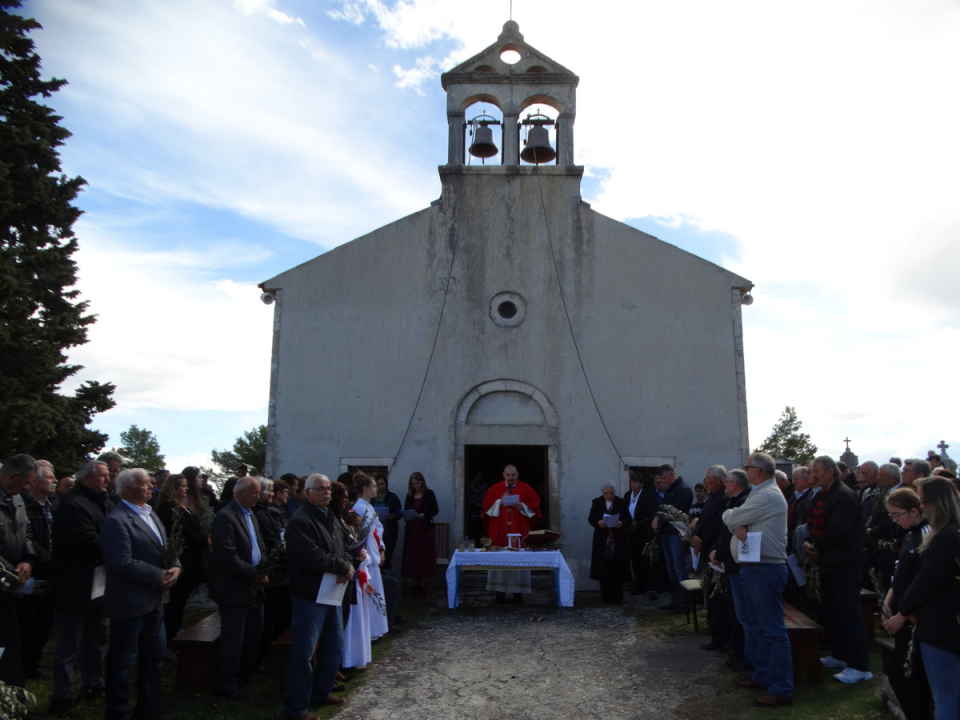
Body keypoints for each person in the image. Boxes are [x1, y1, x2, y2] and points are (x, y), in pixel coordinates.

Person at [100, 468, 181, 720]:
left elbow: (168, 547)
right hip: (130, 602)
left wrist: (176, 567)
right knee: (123, 661)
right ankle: (117, 712)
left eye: (151, 483)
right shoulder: (117, 520)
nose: (151, 486)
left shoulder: (151, 514)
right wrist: (159, 575)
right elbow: (120, 562)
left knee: (153, 657)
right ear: (127, 489)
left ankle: (147, 709)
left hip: (155, 601)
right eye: (145, 484)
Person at [722, 452, 793, 707]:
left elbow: (731, 515)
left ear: (758, 471)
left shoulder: (768, 495)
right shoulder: (759, 492)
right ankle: (763, 675)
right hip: (754, 568)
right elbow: (735, 516)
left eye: (748, 466)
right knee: (759, 627)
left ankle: (781, 688)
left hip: (765, 569)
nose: (745, 469)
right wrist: (737, 522)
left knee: (773, 630)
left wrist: (736, 521)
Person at [283, 474, 355, 719]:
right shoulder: (300, 520)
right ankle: (296, 708)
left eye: (328, 489)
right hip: (310, 594)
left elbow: (344, 545)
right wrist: (342, 567)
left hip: (332, 591)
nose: (326, 493)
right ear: (306, 492)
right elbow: (309, 555)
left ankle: (321, 693)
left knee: (333, 645)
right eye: (320, 489)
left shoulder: (330, 516)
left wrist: (347, 563)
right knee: (303, 652)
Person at [48, 459, 113, 718]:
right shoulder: (73, 505)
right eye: (103, 476)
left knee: (97, 638)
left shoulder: (104, 502)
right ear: (86, 479)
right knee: (68, 645)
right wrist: (119, 545)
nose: (108, 480)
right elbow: (86, 542)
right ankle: (60, 698)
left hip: (99, 584)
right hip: (74, 585)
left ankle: (92, 684)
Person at [803, 455, 871, 684]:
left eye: (816, 472)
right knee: (832, 612)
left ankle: (860, 665)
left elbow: (840, 530)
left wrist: (816, 545)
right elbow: (812, 522)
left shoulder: (844, 496)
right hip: (828, 561)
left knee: (848, 613)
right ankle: (841, 655)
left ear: (830, 472)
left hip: (845, 563)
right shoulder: (822, 494)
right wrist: (810, 540)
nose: (812, 475)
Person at [898, 477, 960, 720]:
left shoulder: (946, 537)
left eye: (923, 501)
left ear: (937, 503)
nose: (921, 506)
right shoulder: (950, 534)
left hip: (941, 624)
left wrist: (904, 608)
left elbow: (926, 580)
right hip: (944, 618)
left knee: (945, 698)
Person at [209, 476, 269, 700]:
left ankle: (245, 672)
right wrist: (252, 574)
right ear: (239, 493)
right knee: (233, 637)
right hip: (234, 587)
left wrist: (264, 569)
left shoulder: (251, 516)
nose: (258, 496)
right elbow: (227, 555)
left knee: (254, 632)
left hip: (254, 583)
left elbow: (259, 545)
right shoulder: (226, 517)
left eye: (259, 492)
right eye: (254, 492)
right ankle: (225, 682)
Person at [880, 488, 931, 720]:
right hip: (901, 610)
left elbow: (924, 578)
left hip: (914, 617)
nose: (894, 520)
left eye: (897, 514)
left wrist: (903, 612)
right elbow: (900, 571)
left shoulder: (926, 535)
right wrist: (889, 599)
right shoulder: (909, 534)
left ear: (914, 510)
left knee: (905, 675)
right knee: (901, 675)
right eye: (890, 516)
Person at [155, 473, 208, 650]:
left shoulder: (181, 507)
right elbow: (182, 532)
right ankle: (167, 645)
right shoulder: (167, 508)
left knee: (179, 606)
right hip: (180, 561)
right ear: (174, 488)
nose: (186, 489)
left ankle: (174, 635)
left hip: (190, 562)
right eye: (183, 486)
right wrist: (205, 540)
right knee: (173, 607)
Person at [0, 454, 36, 689]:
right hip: (4, 580)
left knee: (10, 643)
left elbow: (27, 531)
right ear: (13, 476)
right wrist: (7, 571)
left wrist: (27, 560)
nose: (28, 487)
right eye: (26, 482)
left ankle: (13, 702)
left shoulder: (18, 499)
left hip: (7, 588)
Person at [482, 465, 541, 604]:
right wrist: (500, 501)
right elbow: (485, 506)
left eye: (513, 475)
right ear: (503, 475)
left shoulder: (526, 488)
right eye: (508, 475)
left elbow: (536, 504)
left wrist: (523, 506)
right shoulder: (495, 488)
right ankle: (499, 593)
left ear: (517, 474)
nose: (511, 477)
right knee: (500, 560)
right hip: (499, 531)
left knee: (518, 559)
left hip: (519, 530)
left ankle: (518, 593)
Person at [711, 469, 751, 672]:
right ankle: (737, 650)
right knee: (735, 610)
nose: (724, 484)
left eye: (726, 481)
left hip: (736, 562)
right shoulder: (734, 501)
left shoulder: (743, 502)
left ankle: (743, 653)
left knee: (741, 613)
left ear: (734, 484)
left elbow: (730, 534)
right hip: (729, 559)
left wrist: (718, 552)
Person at [20, 458, 56, 680]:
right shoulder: (24, 506)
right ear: (34, 481)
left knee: (43, 623)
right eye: (50, 477)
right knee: (25, 621)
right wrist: (48, 560)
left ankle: (32, 664)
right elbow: (29, 539)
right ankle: (17, 667)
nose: (54, 481)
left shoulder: (53, 506)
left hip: (50, 573)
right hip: (31, 572)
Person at [351, 473, 389, 639]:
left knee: (376, 590)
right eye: (374, 486)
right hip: (367, 555)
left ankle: (376, 629)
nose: (377, 488)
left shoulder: (369, 506)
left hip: (374, 551)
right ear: (365, 488)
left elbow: (377, 529)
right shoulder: (359, 507)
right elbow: (360, 534)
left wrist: (381, 548)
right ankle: (370, 631)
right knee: (370, 591)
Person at [651, 464, 693, 611]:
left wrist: (660, 521)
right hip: (666, 533)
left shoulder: (683, 489)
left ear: (671, 474)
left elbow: (675, 512)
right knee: (671, 569)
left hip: (677, 533)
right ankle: (675, 600)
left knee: (679, 569)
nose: (663, 482)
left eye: (664, 478)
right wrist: (656, 517)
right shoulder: (670, 490)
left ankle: (684, 603)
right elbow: (663, 508)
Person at [588, 482, 630, 604]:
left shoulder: (621, 502)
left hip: (617, 540)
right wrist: (598, 523)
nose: (609, 496)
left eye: (611, 493)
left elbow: (628, 519)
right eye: (606, 493)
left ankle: (618, 597)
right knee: (603, 570)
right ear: (602, 492)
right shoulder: (597, 502)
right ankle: (605, 597)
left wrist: (622, 523)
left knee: (617, 570)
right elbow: (591, 518)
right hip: (603, 540)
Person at [401, 471, 439, 597]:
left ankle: (422, 584)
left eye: (418, 483)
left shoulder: (429, 494)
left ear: (422, 482)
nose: (416, 486)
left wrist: (425, 515)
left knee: (423, 555)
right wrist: (406, 517)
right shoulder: (409, 496)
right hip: (412, 529)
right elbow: (406, 509)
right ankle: (414, 583)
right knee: (412, 555)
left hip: (424, 529)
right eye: (413, 484)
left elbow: (435, 509)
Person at [624, 471, 660, 599]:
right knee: (635, 560)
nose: (634, 485)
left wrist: (637, 523)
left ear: (642, 484)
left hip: (643, 532)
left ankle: (650, 587)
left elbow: (649, 513)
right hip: (630, 533)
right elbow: (624, 511)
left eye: (636, 483)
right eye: (632, 482)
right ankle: (639, 586)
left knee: (645, 560)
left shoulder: (646, 496)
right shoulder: (628, 495)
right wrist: (628, 523)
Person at [371, 475, 402, 570]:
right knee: (375, 558)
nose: (380, 486)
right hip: (374, 533)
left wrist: (393, 516)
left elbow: (399, 512)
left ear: (386, 484)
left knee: (387, 558)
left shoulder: (392, 496)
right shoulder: (372, 497)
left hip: (389, 532)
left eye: (382, 484)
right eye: (378, 484)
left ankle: (387, 580)